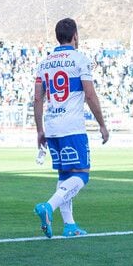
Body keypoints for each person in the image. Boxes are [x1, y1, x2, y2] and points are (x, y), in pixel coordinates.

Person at [33, 18, 109, 238]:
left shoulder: (44, 63)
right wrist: (102, 124)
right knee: (82, 175)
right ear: (75, 35)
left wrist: (39, 130)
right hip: (72, 126)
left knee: (64, 174)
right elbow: (90, 94)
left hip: (52, 125)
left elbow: (38, 99)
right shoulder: (80, 60)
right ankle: (49, 206)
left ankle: (69, 225)